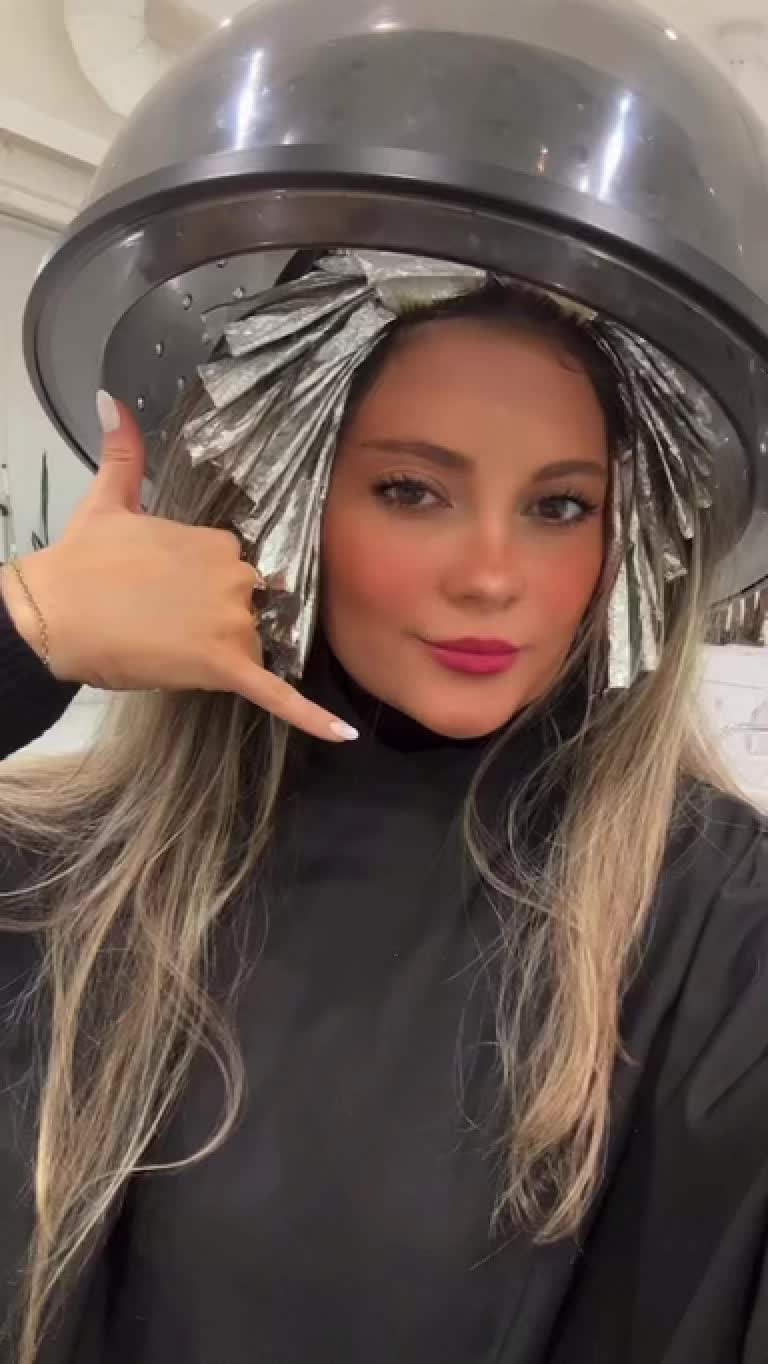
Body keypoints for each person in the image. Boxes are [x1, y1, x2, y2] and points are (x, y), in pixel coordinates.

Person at [0, 268, 766, 1364]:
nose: (493, 575)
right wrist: (24, 633)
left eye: (560, 506)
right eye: (412, 489)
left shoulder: (721, 925)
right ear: (280, 500)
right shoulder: (55, 873)